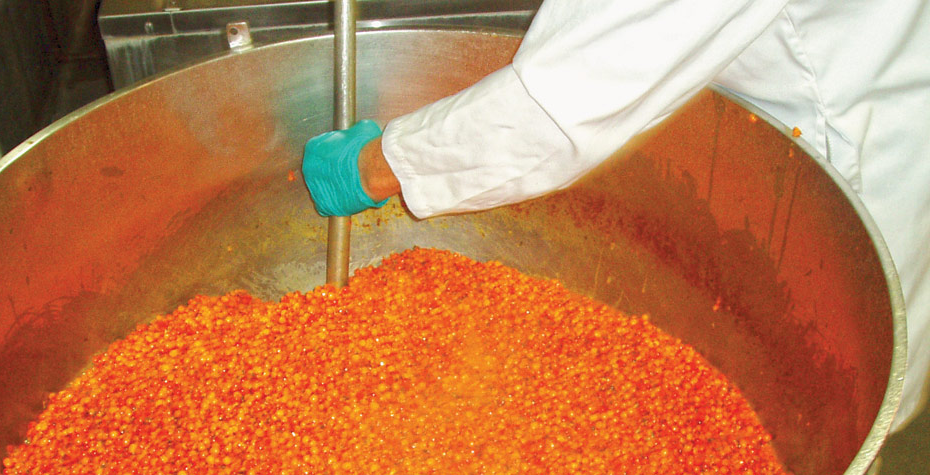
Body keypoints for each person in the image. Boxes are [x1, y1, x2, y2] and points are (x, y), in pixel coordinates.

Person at [302, 0, 930, 432]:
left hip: (838, 151)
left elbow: (557, 107)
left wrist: (374, 169)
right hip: (767, 73)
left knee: (825, 408)